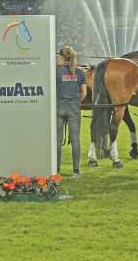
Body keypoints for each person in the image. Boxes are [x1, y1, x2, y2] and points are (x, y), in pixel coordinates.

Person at [56, 46, 86, 177]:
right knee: (75, 140)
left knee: (57, 141)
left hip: (59, 107)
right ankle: (76, 171)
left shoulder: (56, 72)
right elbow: (84, 93)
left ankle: (56, 170)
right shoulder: (79, 72)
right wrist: (76, 102)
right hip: (74, 108)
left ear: (62, 57)